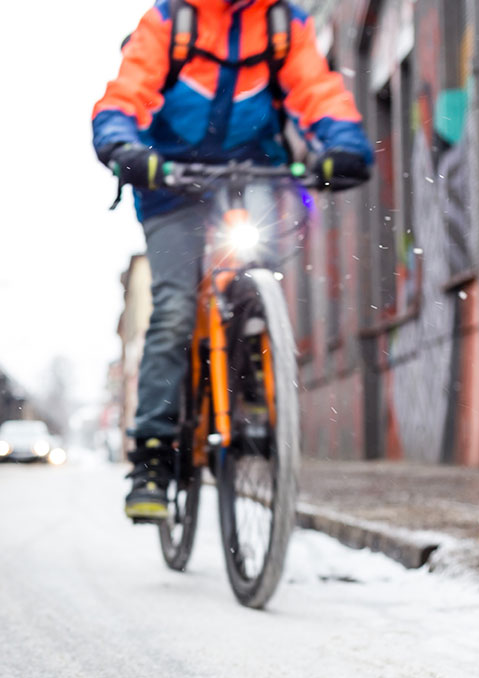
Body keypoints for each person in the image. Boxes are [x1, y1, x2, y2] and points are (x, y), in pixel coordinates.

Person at [93, 0, 373, 521]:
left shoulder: (281, 23)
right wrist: (120, 142)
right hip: (168, 180)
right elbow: (127, 92)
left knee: (255, 277)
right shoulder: (170, 20)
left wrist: (345, 143)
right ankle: (152, 456)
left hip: (251, 174)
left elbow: (317, 89)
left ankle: (254, 397)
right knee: (176, 305)